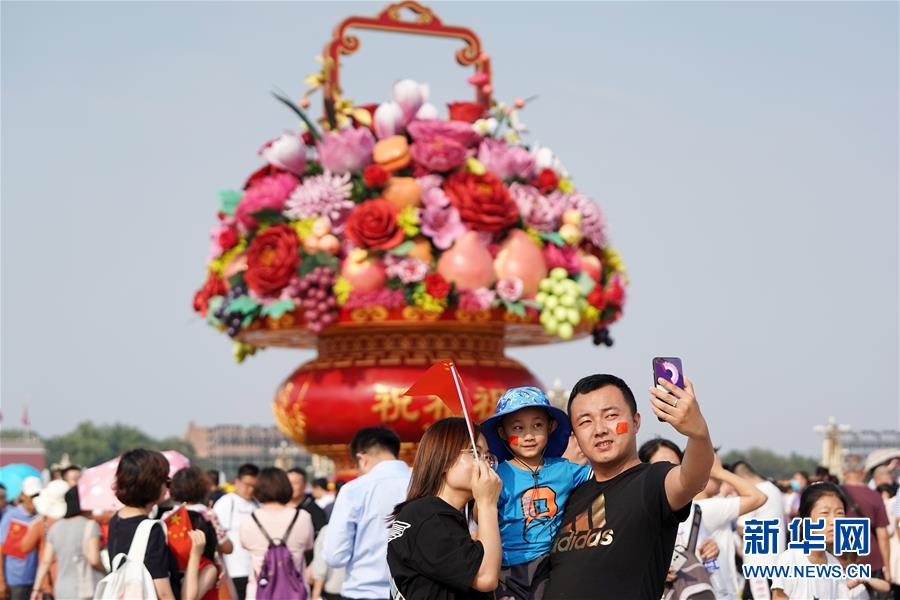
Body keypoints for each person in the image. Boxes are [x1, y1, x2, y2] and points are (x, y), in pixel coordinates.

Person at [543, 373, 714, 599]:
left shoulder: (652, 482)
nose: (599, 429)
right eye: (585, 422)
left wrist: (698, 433)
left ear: (636, 422)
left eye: (611, 416)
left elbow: (691, 479)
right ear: (575, 436)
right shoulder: (569, 496)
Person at [480, 386, 592, 599]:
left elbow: (603, 477)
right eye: (518, 428)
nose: (529, 435)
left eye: (537, 425)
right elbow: (481, 516)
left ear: (551, 426)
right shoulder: (497, 476)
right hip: (509, 567)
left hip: (553, 564)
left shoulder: (565, 469)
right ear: (502, 433)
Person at [387, 417, 503, 599]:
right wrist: (487, 504)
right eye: (475, 453)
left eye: (487, 456)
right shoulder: (427, 515)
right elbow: (485, 577)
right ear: (444, 459)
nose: (485, 464)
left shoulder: (433, 514)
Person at [106, 448, 208, 600]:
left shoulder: (116, 519)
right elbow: (163, 592)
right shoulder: (151, 530)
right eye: (165, 481)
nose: (167, 487)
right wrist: (195, 554)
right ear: (151, 484)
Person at [323, 427, 411, 600]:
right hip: (411, 592)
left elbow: (335, 556)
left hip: (363, 591)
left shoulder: (354, 490)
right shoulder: (425, 486)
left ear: (362, 459)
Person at [640, 438, 722, 591]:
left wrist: (711, 554)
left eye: (676, 466)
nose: (669, 472)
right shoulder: (633, 512)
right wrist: (655, 571)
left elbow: (709, 568)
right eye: (661, 466)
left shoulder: (694, 512)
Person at [694, 454, 767, 600]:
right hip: (719, 591)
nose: (721, 478)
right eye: (715, 470)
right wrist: (721, 473)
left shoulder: (698, 506)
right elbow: (758, 497)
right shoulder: (708, 507)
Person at [240, 467, 314, 599]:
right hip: (295, 592)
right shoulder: (303, 517)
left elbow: (245, 545)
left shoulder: (248, 520)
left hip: (259, 592)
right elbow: (308, 545)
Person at [771, 482, 852, 599]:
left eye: (840, 513)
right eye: (825, 513)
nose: (834, 521)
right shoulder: (791, 560)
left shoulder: (834, 564)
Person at [30, 485, 104, 600]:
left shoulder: (55, 527)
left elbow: (45, 562)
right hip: (88, 588)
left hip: (62, 589)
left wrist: (36, 589)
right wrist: (105, 571)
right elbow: (94, 560)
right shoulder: (90, 525)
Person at [165, 466, 225, 600]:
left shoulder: (169, 516)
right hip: (202, 565)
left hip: (173, 568)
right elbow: (225, 546)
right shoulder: (208, 514)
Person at [734, 459, 787, 600]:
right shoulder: (774, 490)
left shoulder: (755, 494)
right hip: (775, 561)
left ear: (741, 479)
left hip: (758, 565)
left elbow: (742, 528)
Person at [842, 454, 892, 584]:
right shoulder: (874, 496)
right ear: (864, 471)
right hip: (871, 561)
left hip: (842, 560)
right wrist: (886, 567)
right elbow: (883, 535)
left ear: (843, 471)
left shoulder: (835, 493)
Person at [213, 463, 260, 600]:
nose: (250, 489)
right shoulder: (226, 503)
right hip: (233, 570)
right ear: (237, 481)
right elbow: (217, 535)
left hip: (254, 571)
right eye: (247, 485)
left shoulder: (258, 505)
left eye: (254, 486)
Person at [0, 477, 42, 600]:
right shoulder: (11, 516)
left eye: (37, 495)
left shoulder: (41, 516)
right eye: (32, 496)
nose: (34, 499)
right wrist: (1, 582)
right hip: (15, 581)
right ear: (23, 496)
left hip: (36, 580)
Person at [310, 524, 344, 600]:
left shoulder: (328, 531)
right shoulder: (365, 530)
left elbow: (320, 568)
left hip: (333, 591)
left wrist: (315, 596)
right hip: (360, 591)